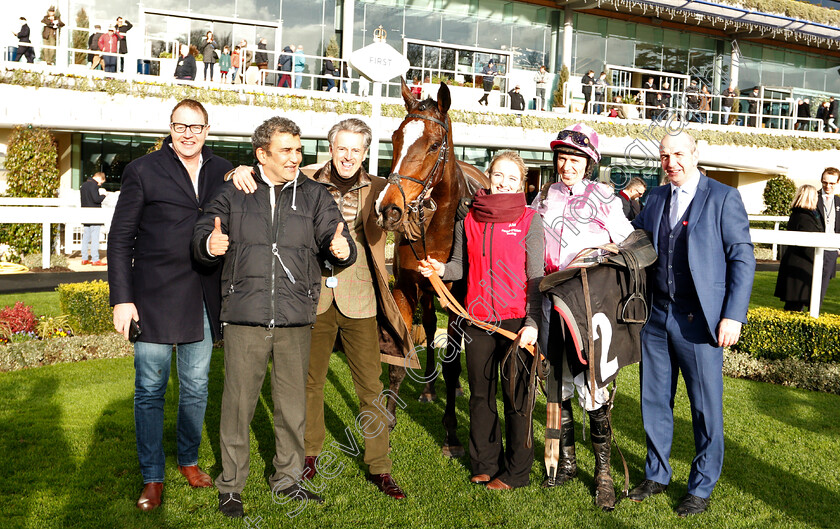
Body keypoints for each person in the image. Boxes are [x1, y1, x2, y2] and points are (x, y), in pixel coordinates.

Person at [228, 118, 416, 499]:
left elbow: (409, 228)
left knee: (371, 387)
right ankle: (308, 454)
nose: (348, 156)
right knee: (308, 382)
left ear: (366, 153)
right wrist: (239, 170)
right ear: (331, 149)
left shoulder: (382, 190)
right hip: (311, 296)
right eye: (341, 148)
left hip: (360, 298)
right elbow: (264, 174)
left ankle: (379, 466)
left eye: (356, 150)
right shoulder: (304, 176)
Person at [191, 116, 356, 518]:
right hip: (245, 314)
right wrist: (209, 244)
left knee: (291, 408)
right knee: (237, 406)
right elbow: (200, 234)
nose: (295, 158)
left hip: (295, 315)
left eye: (299, 150)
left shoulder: (315, 195)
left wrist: (342, 249)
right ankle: (231, 485)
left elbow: (339, 239)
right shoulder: (232, 191)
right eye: (286, 150)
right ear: (262, 154)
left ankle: (288, 479)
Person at [108, 99, 234, 511]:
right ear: (170, 127)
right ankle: (152, 476)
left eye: (196, 127)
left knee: (196, 388)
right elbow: (119, 240)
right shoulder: (142, 170)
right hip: (153, 297)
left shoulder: (223, 171)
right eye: (181, 126)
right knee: (150, 390)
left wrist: (248, 171)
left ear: (207, 130)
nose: (188, 133)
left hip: (202, 294)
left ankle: (188, 459)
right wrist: (122, 300)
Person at [628, 131, 755, 517]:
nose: (672, 163)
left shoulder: (723, 197)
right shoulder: (655, 197)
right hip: (657, 318)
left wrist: (732, 315)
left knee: (705, 409)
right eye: (665, 156)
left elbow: (742, 258)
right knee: (654, 401)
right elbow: (636, 240)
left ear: (695, 154)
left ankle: (701, 486)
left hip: (700, 322)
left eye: (679, 154)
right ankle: (657, 474)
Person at [419, 151, 544, 491]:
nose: (504, 182)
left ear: (522, 183)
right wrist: (440, 270)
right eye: (498, 175)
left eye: (512, 178)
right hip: (476, 321)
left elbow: (535, 277)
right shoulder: (468, 219)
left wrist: (533, 323)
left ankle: (517, 471)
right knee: (480, 396)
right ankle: (485, 463)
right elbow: (460, 265)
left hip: (516, 322)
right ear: (489, 177)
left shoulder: (530, 220)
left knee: (517, 399)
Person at [533, 123, 634, 511]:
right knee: (556, 386)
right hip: (549, 306)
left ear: (588, 163)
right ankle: (568, 463)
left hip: (587, 307)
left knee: (593, 390)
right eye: (562, 158)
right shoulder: (546, 195)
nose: (566, 166)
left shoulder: (604, 198)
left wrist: (598, 255)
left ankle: (604, 474)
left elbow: (628, 243)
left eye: (574, 159)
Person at [774, 185, 824, 312]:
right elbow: (807, 245)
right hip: (800, 265)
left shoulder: (801, 214)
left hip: (797, 263)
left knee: (794, 305)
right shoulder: (805, 217)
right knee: (795, 306)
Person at [817, 167, 840, 309]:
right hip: (813, 249)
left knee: (823, 285)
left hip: (831, 250)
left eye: (832, 183)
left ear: (837, 183)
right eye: (825, 182)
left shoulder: (839, 202)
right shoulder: (813, 197)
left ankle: (815, 315)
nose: (828, 186)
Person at [80, 172, 108, 266]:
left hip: (85, 213)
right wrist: (104, 195)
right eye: (101, 182)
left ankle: (84, 258)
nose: (100, 184)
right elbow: (96, 199)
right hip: (94, 214)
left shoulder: (83, 185)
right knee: (95, 237)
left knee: (86, 237)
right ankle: (95, 259)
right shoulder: (94, 186)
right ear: (100, 178)